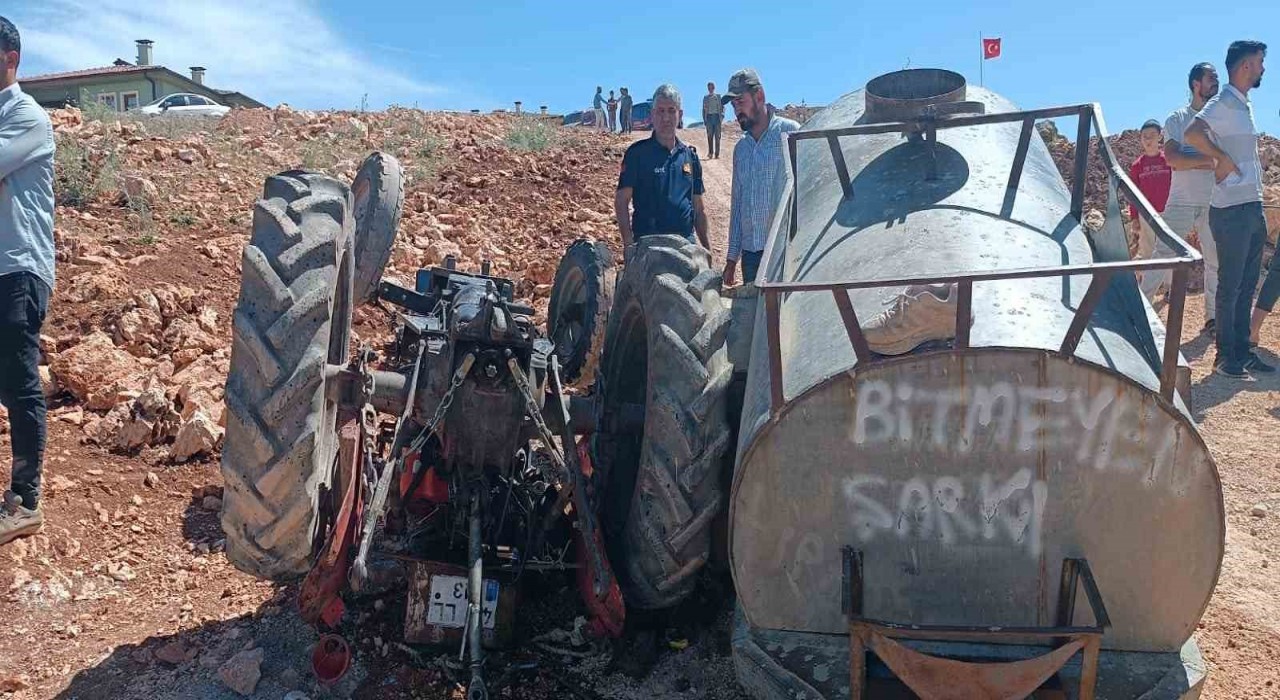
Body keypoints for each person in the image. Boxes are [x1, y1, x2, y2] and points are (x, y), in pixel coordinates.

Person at [0, 16, 56, 547]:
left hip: (19, 267)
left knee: (19, 382)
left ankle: (27, 501)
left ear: (9, 58)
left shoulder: (27, 118)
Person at [1184, 40, 1269, 379]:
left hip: (1252, 205)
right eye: (1261, 62)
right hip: (1231, 210)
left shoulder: (1243, 104)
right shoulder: (1222, 101)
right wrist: (1220, 158)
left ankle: (1242, 352)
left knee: (1247, 285)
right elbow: (1193, 132)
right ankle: (1224, 358)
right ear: (1246, 65)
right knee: (1230, 285)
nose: (1264, 68)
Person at [615, 84, 711, 261]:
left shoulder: (690, 156)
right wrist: (628, 245)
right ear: (652, 115)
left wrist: (706, 250)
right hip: (649, 246)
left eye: (671, 111)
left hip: (686, 245)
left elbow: (698, 208)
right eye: (660, 111)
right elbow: (621, 201)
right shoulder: (637, 154)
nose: (666, 118)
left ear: (680, 115)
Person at [722, 68, 799, 285]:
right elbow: (738, 205)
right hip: (751, 256)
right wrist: (731, 259)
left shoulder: (790, 133)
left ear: (759, 97)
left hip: (783, 253)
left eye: (740, 101)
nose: (737, 111)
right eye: (734, 105)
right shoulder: (741, 150)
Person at [1163, 62, 1221, 334]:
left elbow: (1226, 162)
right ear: (1196, 84)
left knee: (1215, 261)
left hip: (1214, 201)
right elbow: (1173, 158)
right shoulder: (1177, 119)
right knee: (1161, 255)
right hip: (1180, 201)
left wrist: (1194, 160)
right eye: (1211, 78)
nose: (1216, 82)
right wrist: (1209, 159)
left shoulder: (1218, 122)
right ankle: (1141, 313)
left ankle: (1213, 318)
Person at [1128, 119, 1172, 302]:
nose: (1148, 140)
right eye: (1144, 137)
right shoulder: (1137, 166)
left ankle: (1170, 288)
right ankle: (1147, 292)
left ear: (1160, 137)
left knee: (1169, 250)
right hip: (1146, 216)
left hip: (1168, 213)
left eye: (1152, 136)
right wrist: (1134, 217)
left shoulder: (1168, 160)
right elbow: (1133, 194)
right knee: (1147, 251)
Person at [702, 81, 723, 158]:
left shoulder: (718, 96)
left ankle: (717, 154)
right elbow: (703, 110)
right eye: (709, 88)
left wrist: (722, 117)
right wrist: (704, 119)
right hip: (709, 118)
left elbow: (722, 107)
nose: (710, 89)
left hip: (717, 117)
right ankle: (710, 153)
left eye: (712, 87)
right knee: (710, 136)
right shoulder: (705, 98)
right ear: (708, 89)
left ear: (714, 88)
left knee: (717, 137)